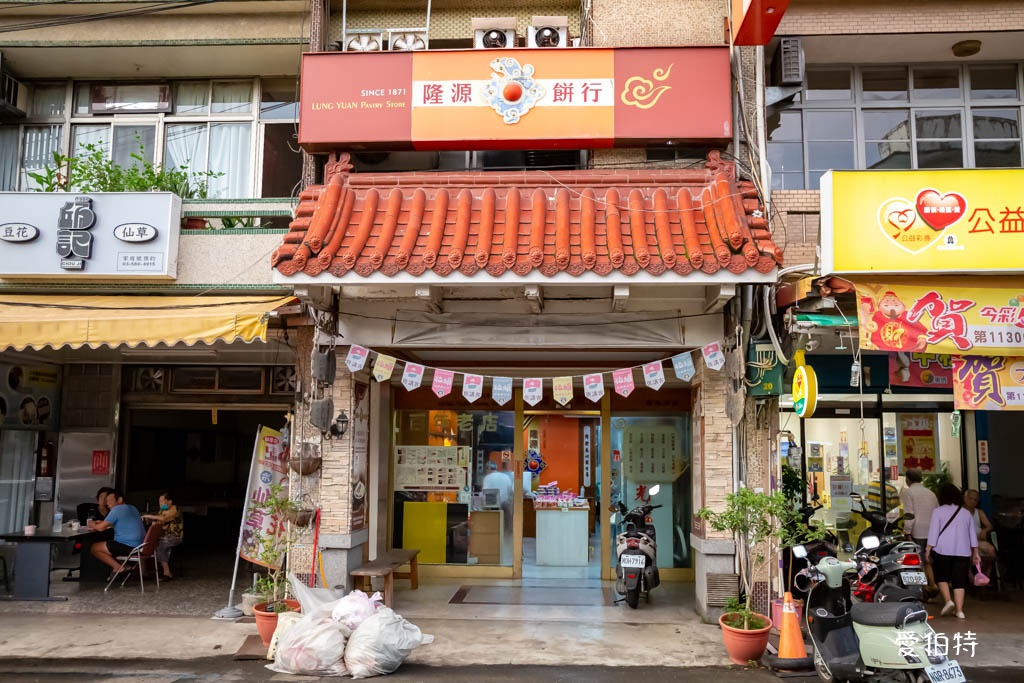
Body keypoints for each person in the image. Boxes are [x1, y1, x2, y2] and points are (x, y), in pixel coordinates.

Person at [926, 484, 980, 620]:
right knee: (959, 581)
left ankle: (948, 601)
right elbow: (972, 535)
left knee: (941, 577)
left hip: (942, 550)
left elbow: (933, 532)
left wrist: (928, 549)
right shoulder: (966, 513)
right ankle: (960, 611)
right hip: (963, 551)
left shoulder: (938, 511)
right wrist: (976, 552)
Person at [87, 489, 145, 576]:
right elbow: (121, 523)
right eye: (107, 501)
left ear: (120, 500)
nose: (108, 504)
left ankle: (119, 568)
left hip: (129, 547)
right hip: (142, 546)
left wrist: (91, 524)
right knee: (111, 543)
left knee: (95, 548)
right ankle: (126, 566)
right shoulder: (132, 508)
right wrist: (102, 523)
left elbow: (100, 528)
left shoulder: (117, 509)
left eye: (110, 501)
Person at [900, 468, 938, 591]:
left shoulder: (908, 492)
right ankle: (933, 584)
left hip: (918, 530)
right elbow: (937, 512)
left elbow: (909, 514)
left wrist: (907, 532)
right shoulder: (930, 493)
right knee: (927, 560)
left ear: (908, 479)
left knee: (918, 560)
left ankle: (925, 588)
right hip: (932, 531)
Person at [142, 492, 184, 581]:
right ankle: (147, 571)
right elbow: (159, 522)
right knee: (150, 543)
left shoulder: (175, 510)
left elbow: (164, 519)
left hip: (175, 537)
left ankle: (166, 572)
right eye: (159, 502)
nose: (160, 504)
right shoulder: (162, 511)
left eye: (162, 501)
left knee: (159, 547)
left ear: (170, 501)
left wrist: (150, 516)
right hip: (164, 536)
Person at [963, 489, 997, 572]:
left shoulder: (979, 512)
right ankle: (970, 576)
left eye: (975, 500)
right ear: (965, 498)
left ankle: (986, 575)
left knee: (992, 551)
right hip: (964, 541)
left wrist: (985, 531)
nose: (972, 501)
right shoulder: (959, 511)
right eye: (970, 498)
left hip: (978, 540)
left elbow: (989, 526)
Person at [482, 461, 513, 534]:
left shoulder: (487, 478)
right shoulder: (505, 476)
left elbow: (485, 492)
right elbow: (510, 490)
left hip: (493, 506)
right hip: (506, 506)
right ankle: (507, 532)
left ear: (488, 468)